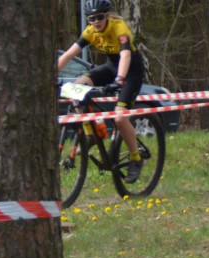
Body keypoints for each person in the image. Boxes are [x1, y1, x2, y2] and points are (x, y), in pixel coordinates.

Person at [57, 0, 147, 183]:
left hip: (131, 71)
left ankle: (136, 159)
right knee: (77, 89)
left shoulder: (119, 27)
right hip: (111, 67)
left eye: (100, 17)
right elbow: (68, 55)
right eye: (92, 18)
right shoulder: (90, 31)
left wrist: (119, 80)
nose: (96, 22)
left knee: (120, 118)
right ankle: (92, 134)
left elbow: (126, 55)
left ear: (107, 16)